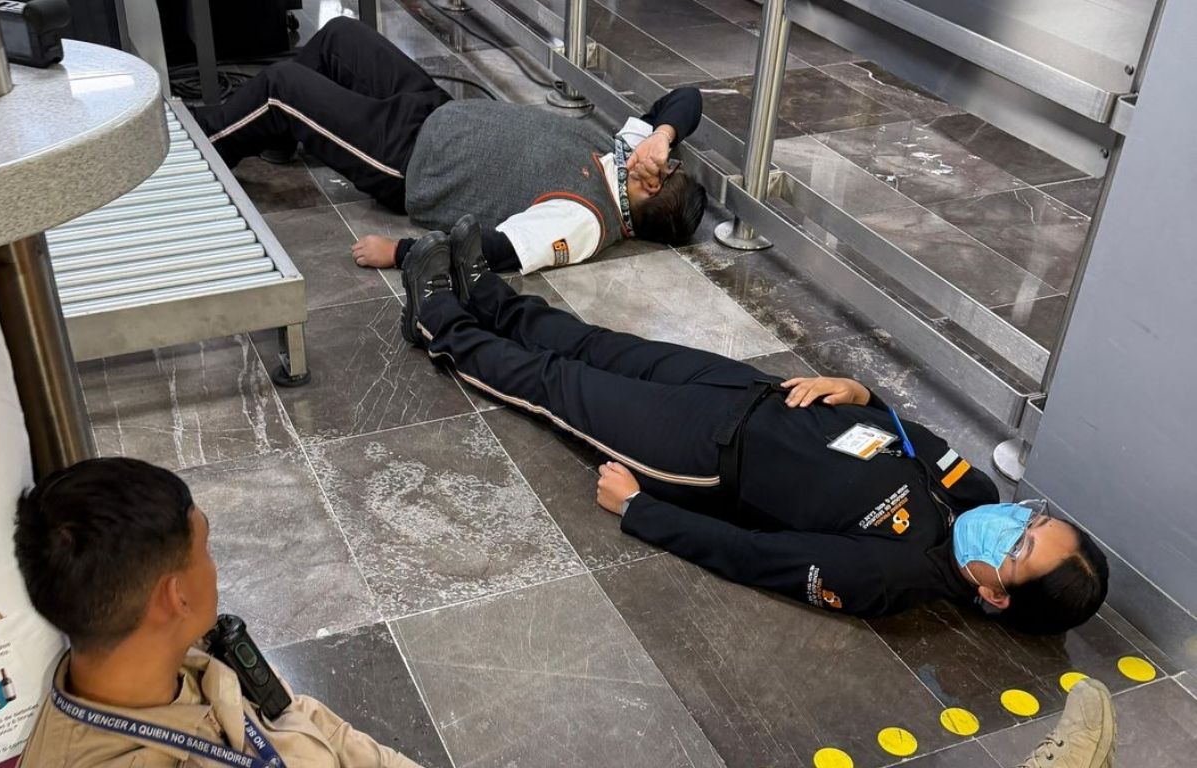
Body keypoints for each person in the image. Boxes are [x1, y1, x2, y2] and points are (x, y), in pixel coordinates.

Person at [396, 218, 1110, 633]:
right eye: (1032, 521)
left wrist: (644, 512)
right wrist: (856, 389)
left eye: (1018, 550)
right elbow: (911, 435)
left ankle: (437, 318)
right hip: (749, 391)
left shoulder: (892, 576)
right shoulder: (974, 494)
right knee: (593, 343)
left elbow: (755, 558)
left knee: (556, 387)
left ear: (993, 596)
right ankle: (483, 294)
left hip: (699, 450)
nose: (1009, 526)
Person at [190, 17, 707, 276]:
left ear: (653, 183)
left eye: (669, 163)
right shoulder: (626, 160)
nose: (663, 152)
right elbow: (686, 99)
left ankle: (196, 146)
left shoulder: (586, 221)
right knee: (341, 36)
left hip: (405, 158)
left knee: (282, 89)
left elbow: (494, 252)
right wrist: (662, 135)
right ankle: (273, 129)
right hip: (431, 108)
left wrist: (399, 253)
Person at [12, 458, 423, 768]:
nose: (214, 567)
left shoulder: (188, 654)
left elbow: (291, 715)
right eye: (205, 550)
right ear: (176, 597)